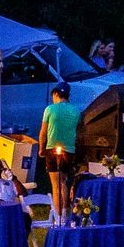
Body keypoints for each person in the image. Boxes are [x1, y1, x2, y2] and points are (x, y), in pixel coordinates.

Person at [35, 84, 80, 222]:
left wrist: (41, 149)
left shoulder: (50, 109)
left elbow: (43, 132)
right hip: (69, 150)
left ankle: (58, 216)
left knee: (55, 184)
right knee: (64, 182)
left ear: (55, 94)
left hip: (52, 149)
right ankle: (65, 214)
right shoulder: (75, 111)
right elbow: (78, 131)